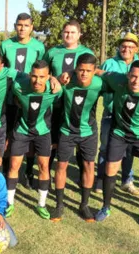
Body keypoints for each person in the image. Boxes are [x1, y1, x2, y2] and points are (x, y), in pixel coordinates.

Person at [94, 60, 139, 227]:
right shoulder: (117, 80)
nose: (136, 81)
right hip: (119, 133)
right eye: (133, 76)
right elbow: (99, 72)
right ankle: (105, 207)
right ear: (128, 75)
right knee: (110, 168)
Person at [37, 20, 94, 189]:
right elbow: (45, 72)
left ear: (79, 35)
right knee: (53, 139)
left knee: (80, 142)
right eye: (66, 32)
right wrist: (53, 78)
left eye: (72, 32)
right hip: (55, 103)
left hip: (78, 104)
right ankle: (46, 175)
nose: (68, 35)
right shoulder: (53, 51)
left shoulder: (86, 52)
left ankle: (80, 177)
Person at [51, 53, 105, 222]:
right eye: (81, 70)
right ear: (75, 69)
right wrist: (56, 78)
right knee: (61, 165)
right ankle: (59, 205)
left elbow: (121, 84)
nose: (84, 74)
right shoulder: (66, 82)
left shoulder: (99, 83)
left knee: (89, 165)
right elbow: (48, 80)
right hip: (67, 131)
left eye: (88, 71)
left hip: (88, 131)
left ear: (94, 70)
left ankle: (84, 205)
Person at [6, 60, 63, 219]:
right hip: (22, 130)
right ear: (29, 75)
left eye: (42, 77)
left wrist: (56, 80)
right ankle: (9, 203)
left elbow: (59, 112)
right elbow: (6, 71)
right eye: (34, 76)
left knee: (44, 166)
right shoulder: (18, 87)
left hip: (43, 132)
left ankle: (41, 204)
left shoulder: (55, 91)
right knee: (14, 165)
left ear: (49, 77)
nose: (37, 80)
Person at [0, 12, 45, 178]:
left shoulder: (39, 47)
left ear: (31, 28)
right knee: (8, 134)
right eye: (19, 25)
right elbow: (1, 68)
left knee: (31, 133)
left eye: (26, 25)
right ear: (15, 26)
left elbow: (43, 69)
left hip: (30, 98)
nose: (22, 28)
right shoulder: (6, 45)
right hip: (9, 97)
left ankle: (28, 172)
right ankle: (5, 170)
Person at [95, 33, 139, 195]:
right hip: (111, 112)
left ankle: (127, 181)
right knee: (105, 147)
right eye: (124, 46)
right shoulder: (109, 64)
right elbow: (99, 87)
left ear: (136, 48)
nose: (126, 49)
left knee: (129, 149)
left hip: (131, 116)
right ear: (119, 47)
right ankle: (101, 180)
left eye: (130, 46)